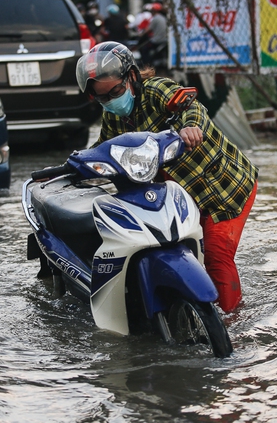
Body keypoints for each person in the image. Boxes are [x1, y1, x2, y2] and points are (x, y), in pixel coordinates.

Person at [75, 42, 258, 313]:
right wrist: (75, 166)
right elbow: (104, 149)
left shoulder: (157, 91)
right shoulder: (113, 117)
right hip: (182, 198)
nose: (111, 100)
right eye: (103, 98)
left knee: (217, 259)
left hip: (223, 190)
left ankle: (233, 324)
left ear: (132, 78)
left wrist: (191, 127)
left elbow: (190, 105)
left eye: (115, 91)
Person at [138, 3, 168, 68]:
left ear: (154, 11)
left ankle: (146, 66)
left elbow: (148, 30)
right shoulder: (163, 18)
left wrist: (141, 34)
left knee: (144, 50)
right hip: (164, 39)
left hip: (157, 40)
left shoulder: (155, 19)